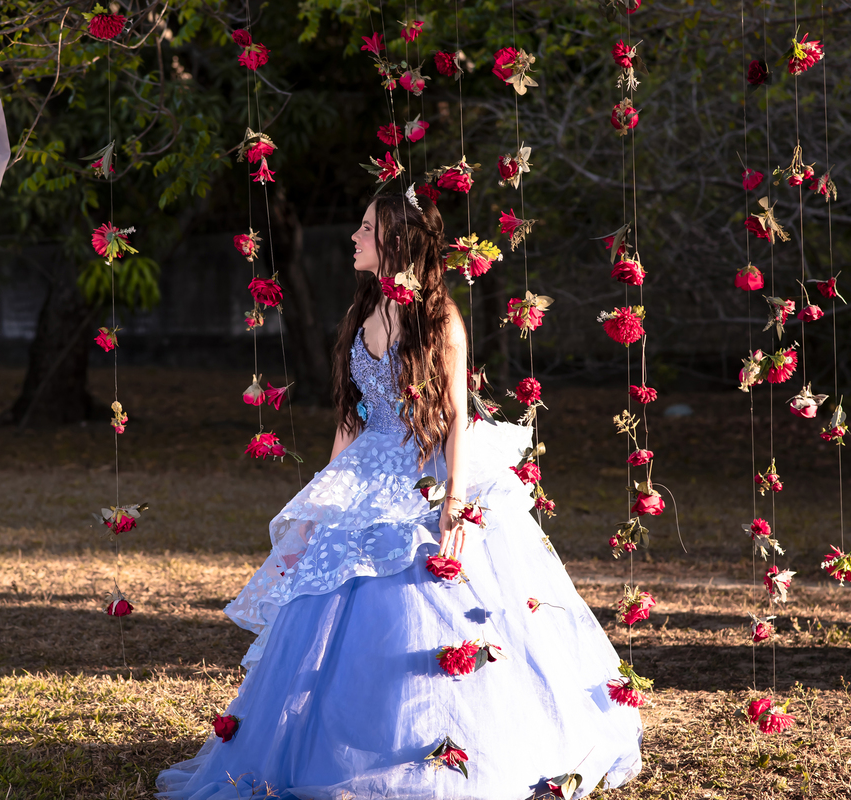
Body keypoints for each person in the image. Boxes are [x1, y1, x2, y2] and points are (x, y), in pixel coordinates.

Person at [156, 193, 642, 800]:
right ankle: (342, 744)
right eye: (358, 225)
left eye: (365, 228)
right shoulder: (365, 314)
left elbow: (458, 417)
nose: (354, 237)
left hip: (426, 466)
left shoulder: (439, 322)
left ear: (396, 241)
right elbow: (351, 419)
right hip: (367, 472)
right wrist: (322, 502)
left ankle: (435, 746)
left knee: (425, 600)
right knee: (329, 600)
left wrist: (455, 502)